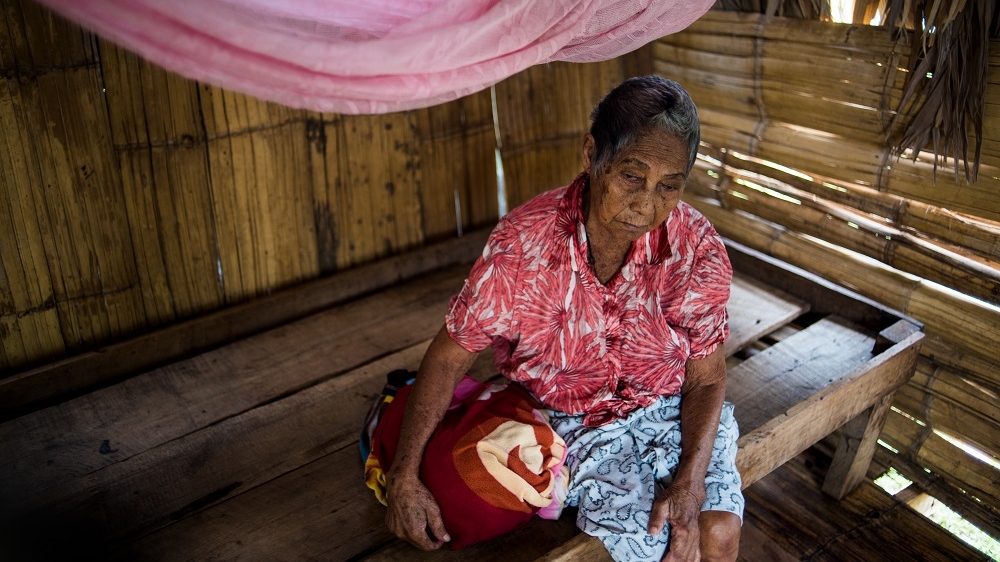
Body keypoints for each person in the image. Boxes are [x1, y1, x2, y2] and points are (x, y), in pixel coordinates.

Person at [384, 75, 743, 562]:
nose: (647, 204)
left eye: (670, 186)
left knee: (718, 532)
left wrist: (691, 483)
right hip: (575, 424)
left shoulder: (695, 246)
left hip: (670, 409)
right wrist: (403, 478)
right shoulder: (522, 247)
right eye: (631, 177)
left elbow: (705, 380)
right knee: (662, 549)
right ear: (592, 154)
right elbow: (448, 359)